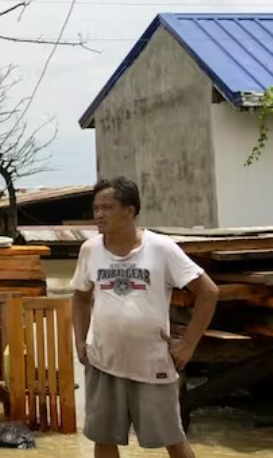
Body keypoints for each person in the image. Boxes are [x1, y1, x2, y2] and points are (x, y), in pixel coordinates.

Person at [72, 177, 219, 458]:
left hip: (152, 364)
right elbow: (79, 297)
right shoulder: (89, 250)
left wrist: (188, 344)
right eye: (95, 208)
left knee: (173, 439)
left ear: (129, 211)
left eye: (107, 207)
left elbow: (209, 292)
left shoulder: (161, 248)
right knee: (103, 439)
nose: (99, 215)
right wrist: (80, 340)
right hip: (103, 361)